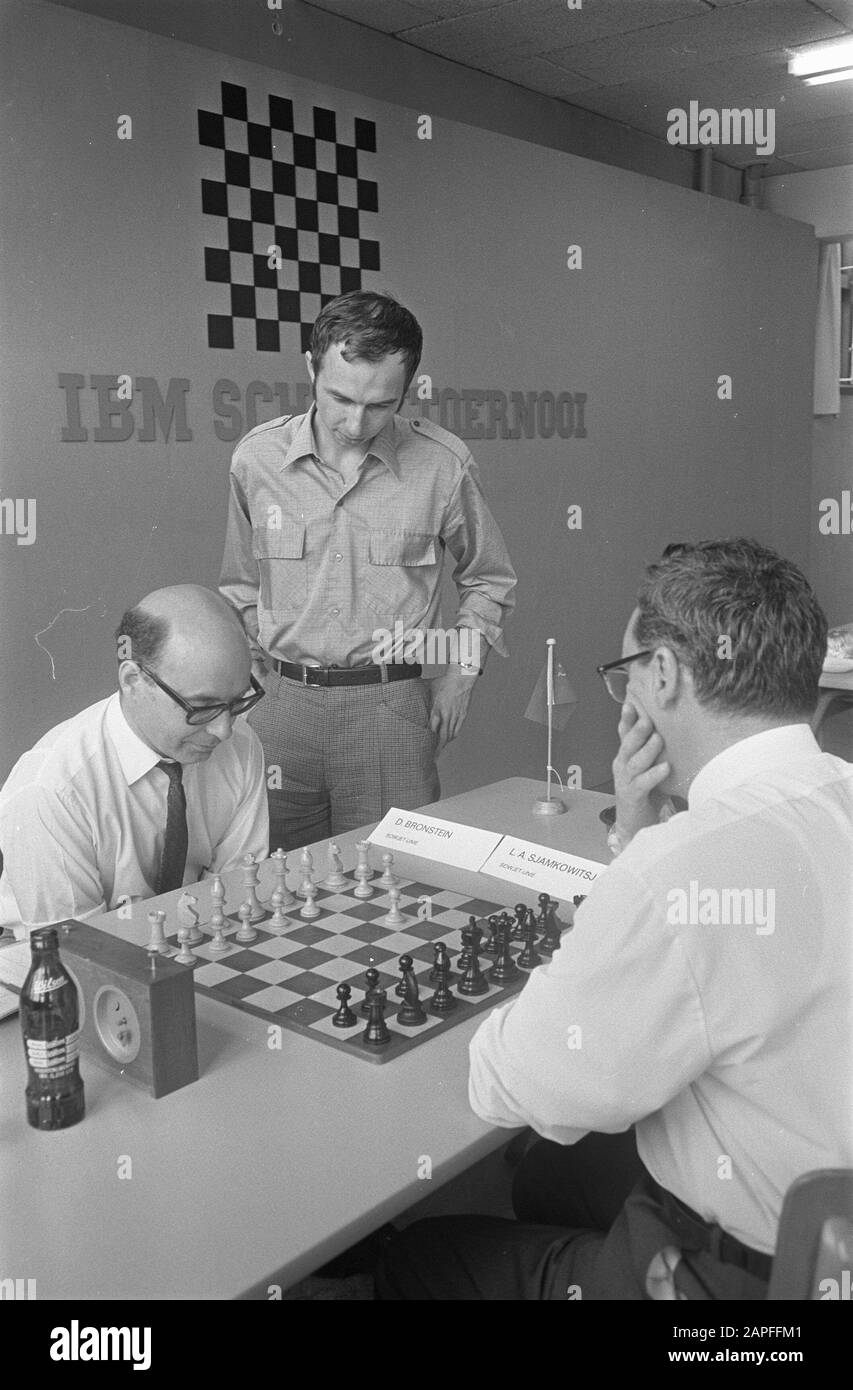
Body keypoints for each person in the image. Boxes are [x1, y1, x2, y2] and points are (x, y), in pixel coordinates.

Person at [376, 538, 853, 1300]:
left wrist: (642, 868)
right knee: (549, 1181)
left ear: (662, 674)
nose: (624, 696)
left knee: (426, 1257)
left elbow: (513, 1086)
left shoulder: (682, 866)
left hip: (741, 1283)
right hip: (816, 1214)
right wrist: (641, 839)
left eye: (625, 673)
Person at [218, 290, 516, 851]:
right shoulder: (255, 461)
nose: (356, 422)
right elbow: (240, 586)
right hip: (280, 711)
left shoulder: (442, 466)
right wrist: (257, 685)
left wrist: (460, 676)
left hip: (391, 712)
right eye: (339, 398)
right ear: (311, 368)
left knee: (393, 885)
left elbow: (488, 580)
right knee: (276, 886)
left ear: (408, 389)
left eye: (382, 405)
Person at [0, 586, 268, 935]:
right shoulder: (50, 791)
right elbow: (80, 955)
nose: (224, 730)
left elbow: (235, 899)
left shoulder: (241, 746)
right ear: (132, 680)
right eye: (202, 708)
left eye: (237, 702)